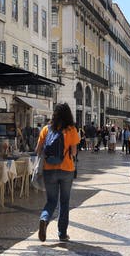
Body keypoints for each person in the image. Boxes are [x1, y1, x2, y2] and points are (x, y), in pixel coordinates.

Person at [36, 103, 80, 242]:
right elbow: (74, 152)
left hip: (49, 169)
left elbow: (37, 149)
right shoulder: (71, 129)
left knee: (51, 201)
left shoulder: (46, 129)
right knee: (64, 202)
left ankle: (44, 219)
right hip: (66, 169)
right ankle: (62, 233)